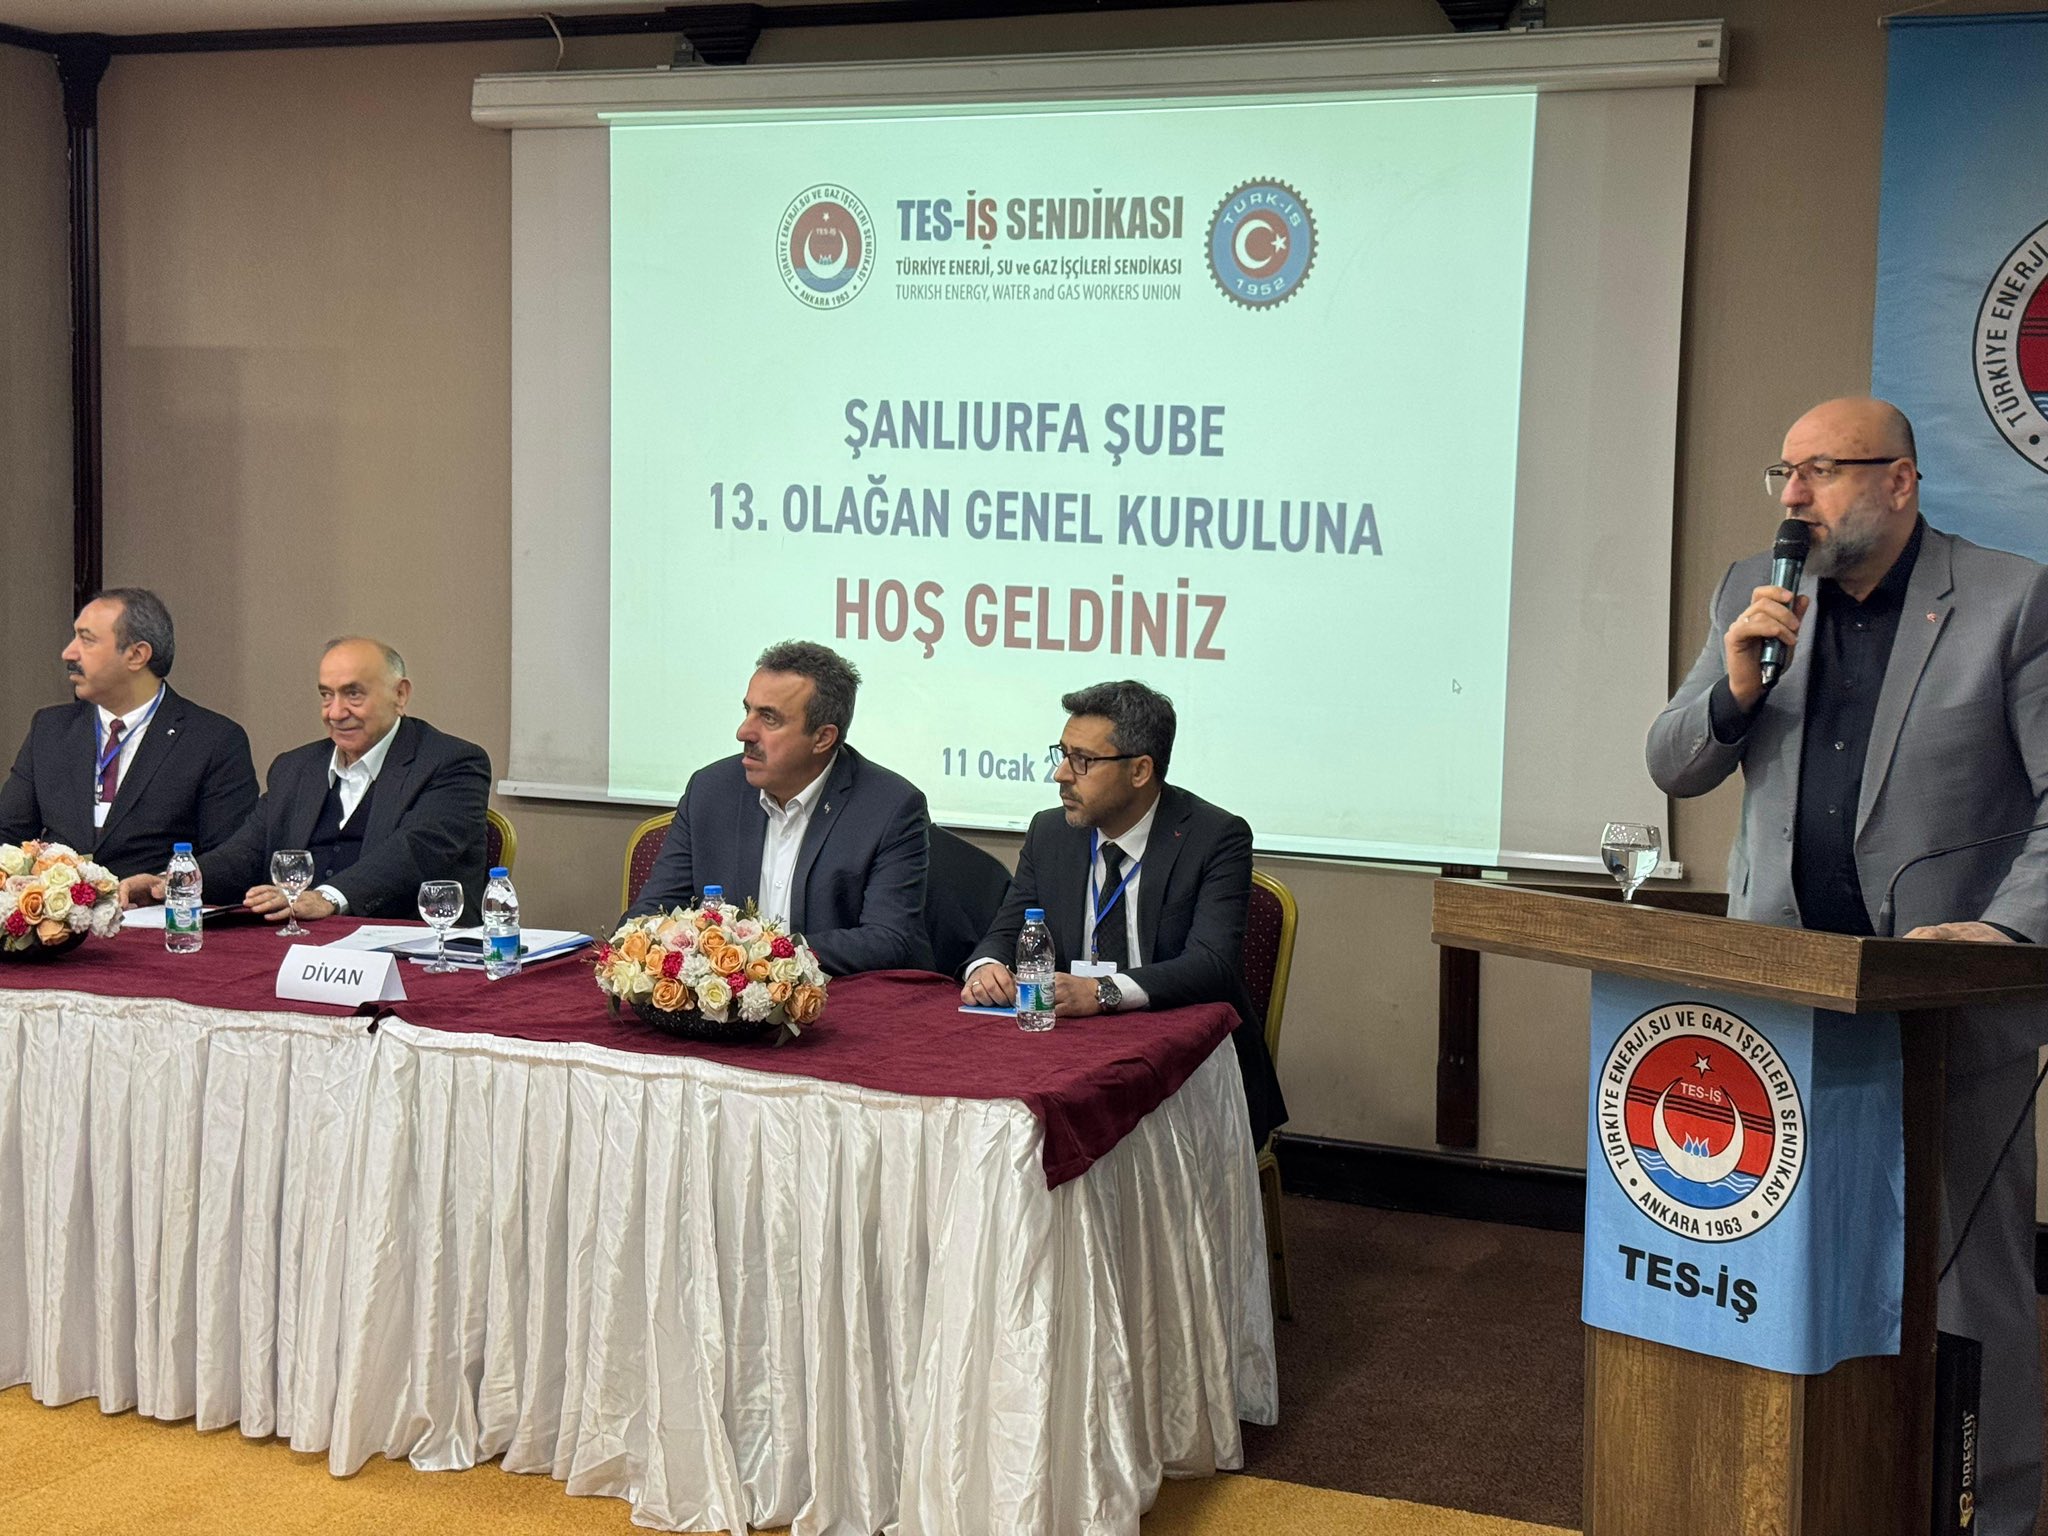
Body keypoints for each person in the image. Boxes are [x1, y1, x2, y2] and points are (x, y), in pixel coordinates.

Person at [1647, 396, 2048, 1536]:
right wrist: (1733, 689)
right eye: (1783, 471)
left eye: (1820, 471)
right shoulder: (1753, 594)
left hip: (1941, 1005)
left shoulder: (2012, 600)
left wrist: (2006, 934)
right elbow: (1673, 763)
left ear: (1899, 482)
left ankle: (1988, 1511)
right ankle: (1805, 1491)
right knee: (1784, 1263)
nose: (1792, 497)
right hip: (1782, 1007)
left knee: (1966, 1280)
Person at [961, 679, 1287, 1148]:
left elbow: (1212, 965)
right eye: (1062, 754)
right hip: (1071, 1060)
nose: (1061, 775)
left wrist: (1102, 992)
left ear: (1139, 770)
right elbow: (1008, 929)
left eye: (1083, 761)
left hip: (1185, 1076)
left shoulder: (1214, 837)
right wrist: (987, 966)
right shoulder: (1050, 832)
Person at [125, 637, 490, 922]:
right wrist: (173, 882)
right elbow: (247, 851)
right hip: (296, 946)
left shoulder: (452, 763)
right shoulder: (295, 767)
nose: (336, 713)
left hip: (409, 951)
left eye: (353, 694)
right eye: (326, 695)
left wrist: (327, 898)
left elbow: (412, 853)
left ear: (400, 694)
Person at [626, 640, 934, 975]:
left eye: (769, 718)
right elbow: (649, 915)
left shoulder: (890, 807)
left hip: (839, 997)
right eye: (748, 711)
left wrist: (765, 957)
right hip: (719, 1000)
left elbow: (888, 940)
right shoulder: (711, 791)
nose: (744, 732)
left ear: (823, 738)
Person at [0, 587, 256, 878]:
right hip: (59, 905)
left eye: (86, 640)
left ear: (137, 655)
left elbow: (233, 861)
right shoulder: (50, 729)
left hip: (157, 905)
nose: (68, 653)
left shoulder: (213, 740)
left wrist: (159, 886)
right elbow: (8, 835)